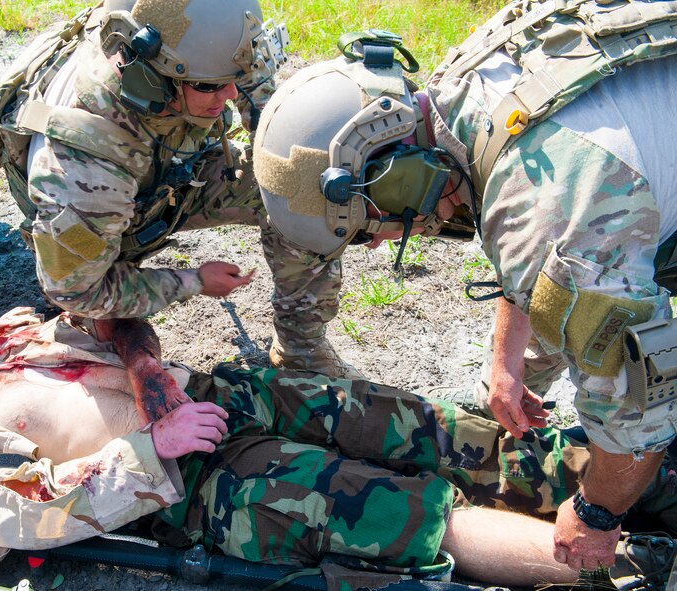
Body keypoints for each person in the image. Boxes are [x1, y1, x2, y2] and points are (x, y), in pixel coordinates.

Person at [250, 2, 677, 574]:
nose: (375, 243)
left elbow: (640, 416)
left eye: (365, 224)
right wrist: (506, 363)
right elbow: (526, 207)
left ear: (393, 167)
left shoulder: (552, 221)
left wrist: (597, 513)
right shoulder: (464, 85)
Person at [0, 307, 674, 588]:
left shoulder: (7, 332)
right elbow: (14, 513)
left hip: (233, 395)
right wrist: (153, 444)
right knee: (401, 512)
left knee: (449, 433)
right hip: (198, 484)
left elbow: (112, 308)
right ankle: (633, 562)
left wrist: (144, 360)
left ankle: (642, 474)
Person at [0, 0, 363, 379]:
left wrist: (357, 218)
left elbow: (245, 82)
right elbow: (73, 290)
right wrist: (192, 280)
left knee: (296, 188)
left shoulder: (189, 35)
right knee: (97, 303)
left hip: (166, 168)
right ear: (151, 79)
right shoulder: (86, 172)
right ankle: (109, 273)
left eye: (233, 77)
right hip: (107, 215)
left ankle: (302, 350)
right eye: (210, 86)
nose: (231, 94)